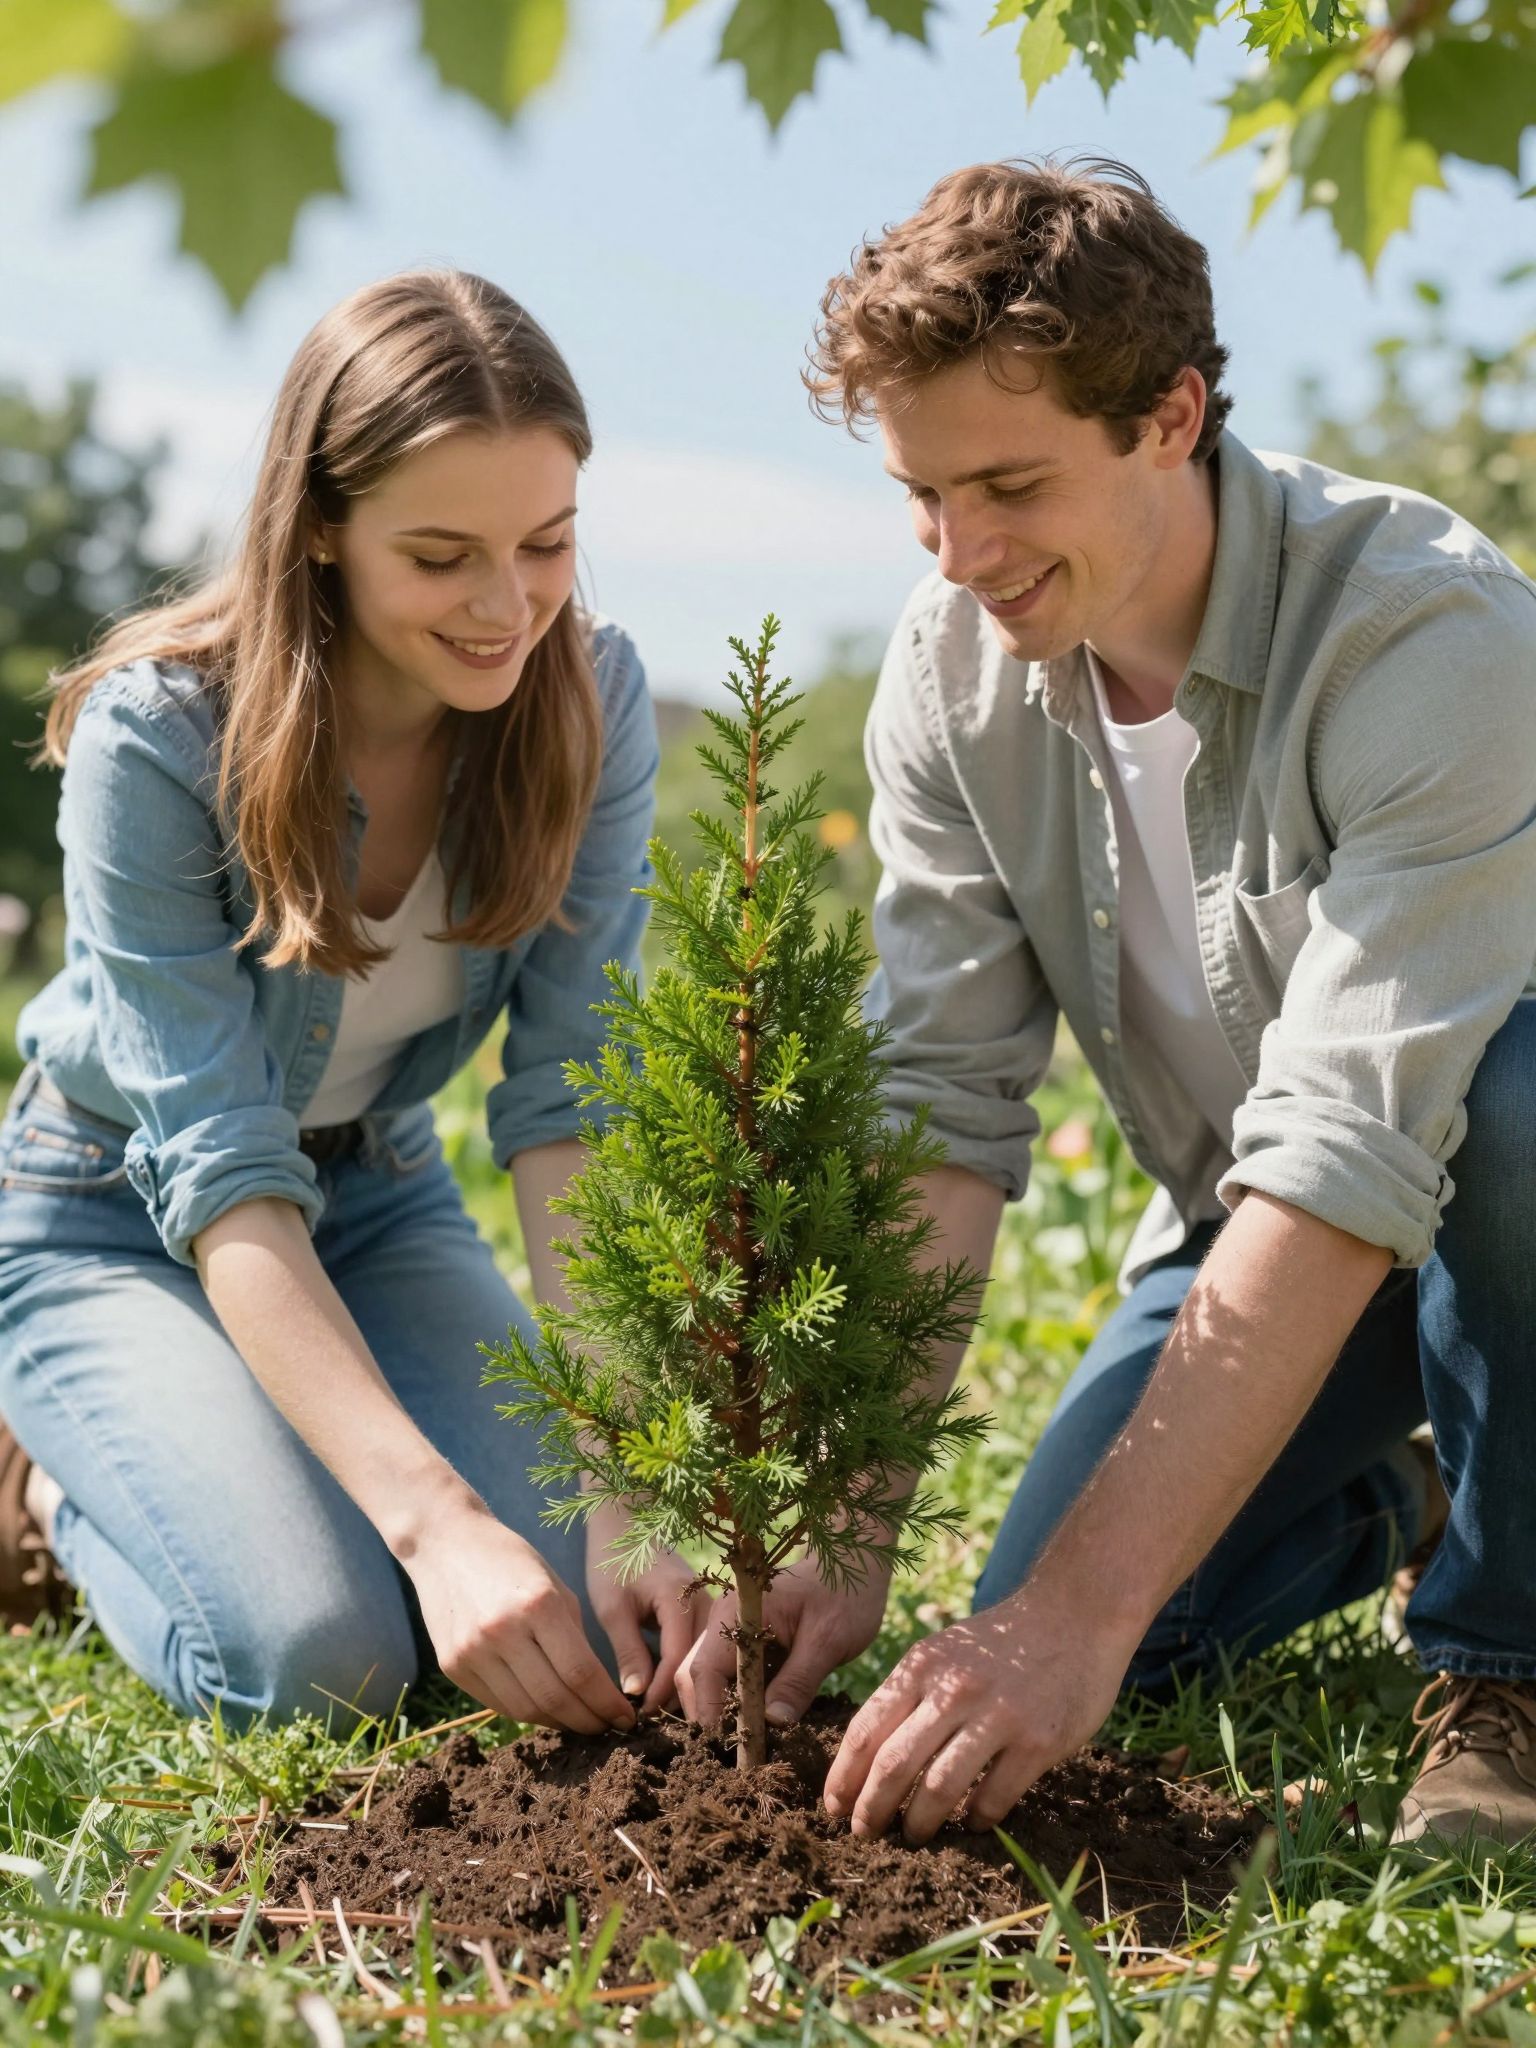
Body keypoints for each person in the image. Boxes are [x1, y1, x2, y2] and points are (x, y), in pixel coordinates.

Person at [675, 158, 1536, 1852]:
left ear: (1171, 414)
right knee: (1093, 1649)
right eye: (923, 495)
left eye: (1006, 483)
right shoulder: (949, 676)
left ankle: (1506, 1658)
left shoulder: (1429, 638)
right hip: (1267, 1248)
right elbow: (944, 1100)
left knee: (1516, 1111)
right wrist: (847, 1514)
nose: (961, 552)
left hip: (1490, 1202)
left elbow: (1358, 1143)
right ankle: (1411, 1481)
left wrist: (1074, 1614)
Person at [0, 270, 705, 1732]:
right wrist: (433, 1525)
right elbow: (215, 1166)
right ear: (320, 526)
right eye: (442, 555)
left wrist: (627, 1480)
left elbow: (570, 1100)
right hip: (114, 1219)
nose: (507, 606)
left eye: (548, 542)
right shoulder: (160, 738)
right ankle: (55, 1477)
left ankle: (281, 1457)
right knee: (334, 1660)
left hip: (373, 1199)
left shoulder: (597, 701)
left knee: (578, 1610)